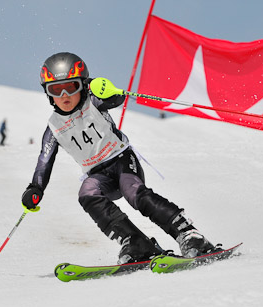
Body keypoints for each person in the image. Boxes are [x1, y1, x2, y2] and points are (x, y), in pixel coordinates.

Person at [21, 52, 222, 264]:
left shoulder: (93, 101)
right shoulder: (54, 127)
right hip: (99, 175)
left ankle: (188, 233)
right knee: (86, 193)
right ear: (47, 93)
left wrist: (105, 90)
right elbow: (44, 160)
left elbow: (115, 98)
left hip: (121, 160)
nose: (64, 95)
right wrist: (36, 188)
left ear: (82, 85)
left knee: (133, 192)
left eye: (71, 87)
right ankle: (136, 242)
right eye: (55, 89)